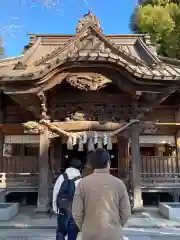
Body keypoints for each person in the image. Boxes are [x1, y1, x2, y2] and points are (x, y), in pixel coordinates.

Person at [72, 148, 131, 240]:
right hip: (113, 233)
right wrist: (116, 225)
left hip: (89, 234)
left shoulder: (83, 183)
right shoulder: (119, 183)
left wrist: (85, 227)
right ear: (108, 163)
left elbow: (77, 213)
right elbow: (126, 213)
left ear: (91, 165)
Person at [53, 158, 82, 240]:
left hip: (62, 210)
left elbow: (55, 192)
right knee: (72, 235)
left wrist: (56, 209)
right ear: (79, 168)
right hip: (75, 212)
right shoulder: (80, 180)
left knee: (60, 232)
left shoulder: (61, 177)